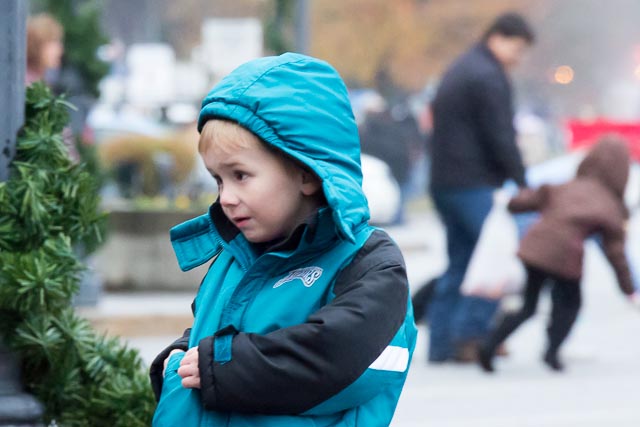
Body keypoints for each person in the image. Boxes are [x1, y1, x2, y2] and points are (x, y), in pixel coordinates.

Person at [148, 53, 417, 427]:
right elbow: (214, 331)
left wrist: (222, 365)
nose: (225, 196)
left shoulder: (367, 262)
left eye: (241, 175)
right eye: (218, 180)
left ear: (307, 174)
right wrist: (180, 356)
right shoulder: (235, 255)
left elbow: (344, 357)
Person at [426, 12, 535, 363]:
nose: (518, 58)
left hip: (444, 182)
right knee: (494, 260)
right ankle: (471, 336)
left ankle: (440, 343)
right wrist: (521, 180)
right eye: (517, 48)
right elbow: (500, 135)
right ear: (498, 38)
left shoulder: (461, 67)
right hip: (472, 184)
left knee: (459, 262)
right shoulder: (488, 76)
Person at [478, 137, 636, 373]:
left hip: (533, 250)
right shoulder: (610, 205)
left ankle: (489, 345)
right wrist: (629, 288)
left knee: (527, 306)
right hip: (564, 258)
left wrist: (511, 202)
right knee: (570, 304)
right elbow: (616, 253)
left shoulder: (565, 186)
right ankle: (552, 352)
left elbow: (525, 200)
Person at [26, 13, 64, 86]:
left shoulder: (37, 79)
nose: (60, 49)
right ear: (37, 44)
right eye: (54, 41)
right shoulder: (26, 83)